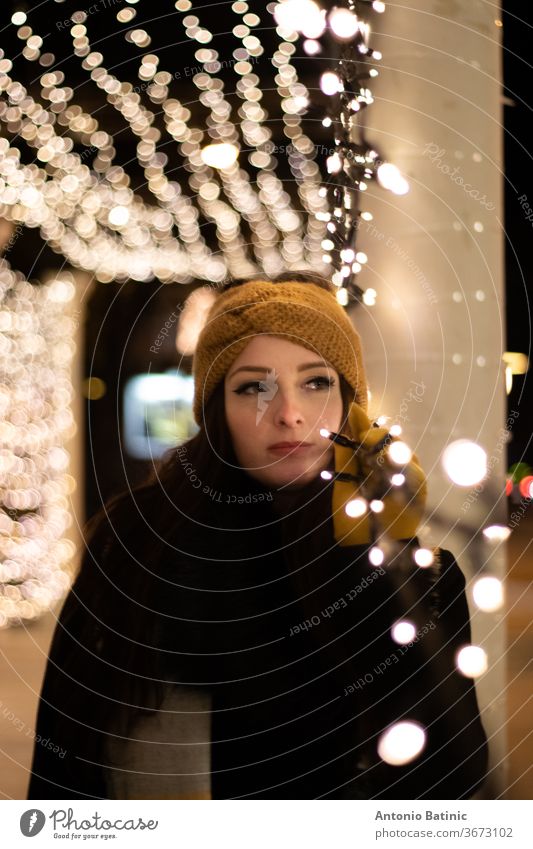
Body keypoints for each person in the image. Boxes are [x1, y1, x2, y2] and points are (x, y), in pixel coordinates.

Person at [27, 272, 488, 800]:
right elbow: (63, 770)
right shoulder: (135, 552)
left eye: (317, 382)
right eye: (253, 387)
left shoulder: (410, 573)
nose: (289, 414)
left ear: (351, 406)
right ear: (215, 409)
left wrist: (381, 565)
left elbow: (453, 784)